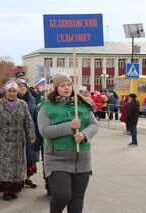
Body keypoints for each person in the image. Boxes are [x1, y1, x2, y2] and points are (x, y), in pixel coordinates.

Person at [37, 73, 98, 213]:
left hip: (82, 158)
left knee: (77, 198)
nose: (66, 87)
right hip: (57, 159)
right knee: (62, 195)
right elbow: (45, 131)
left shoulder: (82, 105)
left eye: (69, 84)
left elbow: (94, 125)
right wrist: (69, 127)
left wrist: (84, 134)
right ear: (55, 88)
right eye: (62, 85)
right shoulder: (46, 107)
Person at [0, 80, 36, 201]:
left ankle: (14, 189)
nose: (12, 93)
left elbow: (28, 121)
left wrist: (32, 135)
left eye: (14, 91)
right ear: (5, 92)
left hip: (18, 140)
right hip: (2, 140)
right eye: (10, 91)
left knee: (16, 165)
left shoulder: (22, 104)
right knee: (4, 165)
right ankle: (6, 190)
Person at [16, 79, 40, 189]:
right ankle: (18, 179)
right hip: (16, 132)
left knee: (30, 156)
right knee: (17, 157)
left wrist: (37, 132)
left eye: (24, 86)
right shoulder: (12, 99)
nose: (22, 88)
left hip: (29, 131)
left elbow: (35, 115)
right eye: (20, 86)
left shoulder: (32, 99)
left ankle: (29, 178)